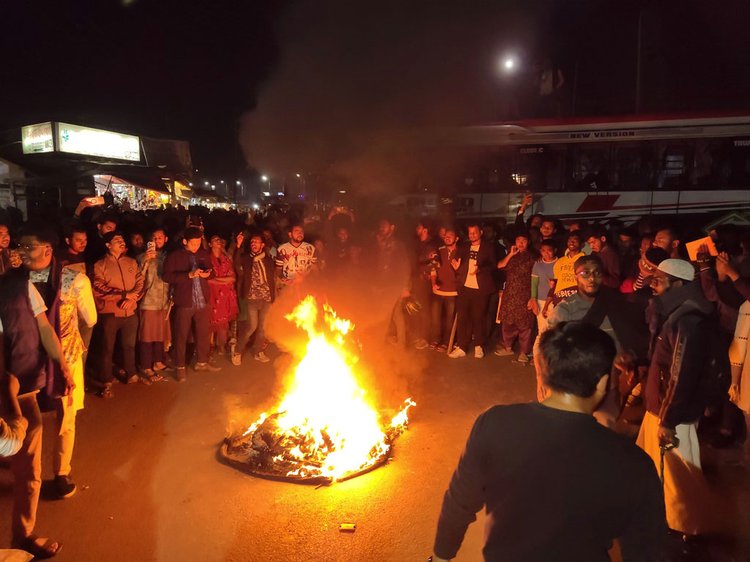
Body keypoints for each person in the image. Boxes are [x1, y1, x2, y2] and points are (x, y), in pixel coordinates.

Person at [433, 322, 666, 561]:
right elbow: (646, 549)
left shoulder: (494, 424)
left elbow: (459, 502)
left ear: (543, 376)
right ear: (603, 383)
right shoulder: (634, 463)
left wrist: (442, 555)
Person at [636, 258, 716, 536]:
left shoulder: (689, 320)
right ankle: (671, 521)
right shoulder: (677, 312)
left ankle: (688, 529)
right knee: (665, 476)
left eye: (658, 281)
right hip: (661, 407)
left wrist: (668, 420)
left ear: (678, 283)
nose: (653, 287)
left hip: (671, 413)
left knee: (679, 478)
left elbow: (681, 375)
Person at [19, 225, 97, 499]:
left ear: (48, 249)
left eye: (30, 246)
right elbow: (90, 318)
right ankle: (56, 473)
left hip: (40, 359)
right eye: (22, 246)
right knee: (63, 418)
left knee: (37, 417)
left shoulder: (17, 281)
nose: (23, 252)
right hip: (54, 356)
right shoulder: (75, 280)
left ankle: (45, 473)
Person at [0, 263, 72, 559]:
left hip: (22, 388)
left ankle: (23, 535)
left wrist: (63, 366)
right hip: (8, 389)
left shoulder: (18, 287)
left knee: (30, 470)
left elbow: (43, 327)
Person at [163, 227, 220, 381]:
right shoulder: (175, 256)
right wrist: (188, 275)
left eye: (198, 243)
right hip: (185, 301)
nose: (196, 246)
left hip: (202, 301)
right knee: (181, 335)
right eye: (193, 243)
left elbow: (212, 271)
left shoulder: (202, 253)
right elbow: (166, 276)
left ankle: (202, 362)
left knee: (203, 333)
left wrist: (207, 273)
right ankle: (180, 367)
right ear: (184, 241)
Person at [92, 231, 144, 397]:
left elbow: (140, 283)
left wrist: (132, 298)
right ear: (108, 245)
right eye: (116, 240)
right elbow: (98, 288)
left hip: (130, 312)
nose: (121, 242)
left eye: (122, 239)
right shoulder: (100, 265)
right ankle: (106, 379)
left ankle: (131, 373)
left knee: (129, 345)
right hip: (110, 313)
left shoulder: (131, 262)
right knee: (107, 347)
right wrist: (123, 295)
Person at [448, 223, 497, 359]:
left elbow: (493, 265)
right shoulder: (464, 247)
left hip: (480, 288)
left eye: (474, 232)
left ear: (480, 232)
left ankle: (478, 345)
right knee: (463, 317)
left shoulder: (488, 247)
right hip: (464, 287)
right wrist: (456, 267)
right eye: (470, 233)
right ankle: (462, 346)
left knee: (479, 317)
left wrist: (480, 269)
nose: (472, 235)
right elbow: (456, 262)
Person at [233, 233, 275, 365]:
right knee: (252, 326)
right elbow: (236, 263)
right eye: (252, 242)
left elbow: (271, 278)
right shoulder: (247, 259)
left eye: (256, 242)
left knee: (262, 328)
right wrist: (238, 246)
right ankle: (237, 351)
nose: (253, 244)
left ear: (262, 245)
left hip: (266, 298)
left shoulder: (268, 259)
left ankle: (258, 352)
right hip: (252, 298)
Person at [494, 231, 536, 363]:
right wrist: (510, 254)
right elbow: (500, 266)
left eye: (523, 241)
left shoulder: (533, 258)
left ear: (528, 242)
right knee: (507, 323)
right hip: (510, 295)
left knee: (525, 326)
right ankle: (508, 348)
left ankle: (524, 352)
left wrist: (533, 297)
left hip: (525, 295)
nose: (521, 243)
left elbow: (536, 278)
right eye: (518, 240)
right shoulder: (511, 256)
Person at [136, 228, 171, 380]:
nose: (158, 240)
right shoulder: (141, 257)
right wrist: (146, 259)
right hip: (148, 302)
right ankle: (145, 366)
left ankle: (158, 361)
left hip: (163, 302)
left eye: (160, 237)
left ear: (166, 239)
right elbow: (137, 277)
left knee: (159, 334)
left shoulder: (166, 257)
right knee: (147, 336)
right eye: (154, 238)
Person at [207, 234, 238, 357]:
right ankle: (210, 346)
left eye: (219, 239)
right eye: (214, 240)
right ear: (210, 244)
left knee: (223, 322)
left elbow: (233, 278)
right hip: (211, 294)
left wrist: (217, 280)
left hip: (225, 294)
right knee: (210, 321)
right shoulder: (207, 259)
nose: (218, 241)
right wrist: (224, 280)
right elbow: (207, 280)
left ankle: (221, 345)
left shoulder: (226, 259)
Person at [430, 227, 459, 352]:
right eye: (446, 236)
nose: (447, 237)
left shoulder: (461, 252)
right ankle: (437, 339)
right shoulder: (439, 251)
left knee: (449, 318)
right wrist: (433, 282)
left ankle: (447, 341)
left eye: (450, 235)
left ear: (456, 238)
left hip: (452, 291)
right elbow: (433, 270)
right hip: (438, 291)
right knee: (436, 318)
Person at [275, 223, 317, 293]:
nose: (300, 233)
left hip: (306, 285)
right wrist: (284, 279)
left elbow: (315, 268)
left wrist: (306, 278)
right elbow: (278, 269)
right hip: (288, 286)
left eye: (301, 231)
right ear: (290, 234)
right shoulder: (282, 249)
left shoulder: (310, 248)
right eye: (296, 231)